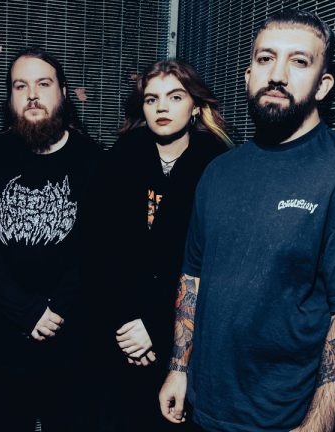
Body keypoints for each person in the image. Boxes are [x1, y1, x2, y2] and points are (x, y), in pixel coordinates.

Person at [158, 9, 335, 432]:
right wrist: (178, 369)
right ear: (248, 76)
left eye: (299, 61)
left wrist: (318, 425)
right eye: (265, 59)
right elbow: (193, 278)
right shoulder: (219, 172)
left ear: (323, 85)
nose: (277, 75)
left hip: (282, 419)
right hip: (205, 407)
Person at [0, 47, 100, 431]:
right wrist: (27, 310)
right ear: (10, 98)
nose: (33, 95)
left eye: (43, 84)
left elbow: (96, 248)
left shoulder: (95, 161)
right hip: (0, 338)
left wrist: (56, 309)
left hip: (71, 340)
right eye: (21, 86)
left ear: (63, 92)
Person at [98, 59, 231, 431]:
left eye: (175, 97)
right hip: (121, 336)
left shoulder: (218, 169)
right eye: (151, 99)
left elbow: (212, 268)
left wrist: (154, 328)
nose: (162, 107)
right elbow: (100, 253)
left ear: (195, 107)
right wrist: (127, 324)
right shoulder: (116, 161)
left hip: (185, 344)